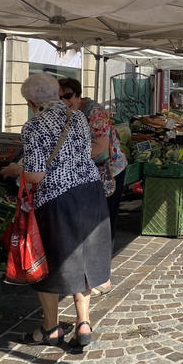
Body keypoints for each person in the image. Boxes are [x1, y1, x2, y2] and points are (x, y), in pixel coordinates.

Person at [17, 73, 110, 348]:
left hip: (58, 199)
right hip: (90, 193)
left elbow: (34, 176)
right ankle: (83, 323)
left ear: (32, 102)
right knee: (83, 258)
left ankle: (51, 328)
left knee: (50, 262)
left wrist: (16, 169)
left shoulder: (34, 126)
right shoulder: (78, 117)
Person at [57, 78, 127, 248]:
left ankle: (104, 258)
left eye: (68, 96)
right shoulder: (67, 113)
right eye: (60, 98)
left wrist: (67, 157)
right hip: (89, 169)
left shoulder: (94, 111)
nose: (65, 101)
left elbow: (101, 147)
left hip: (110, 169)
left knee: (105, 216)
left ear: (78, 94)